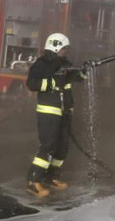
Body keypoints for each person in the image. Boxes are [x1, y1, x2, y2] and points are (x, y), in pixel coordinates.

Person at [25, 33, 87, 197]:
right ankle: (34, 181)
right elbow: (31, 84)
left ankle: (51, 177)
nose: (66, 51)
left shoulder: (65, 64)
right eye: (64, 48)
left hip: (64, 112)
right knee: (48, 147)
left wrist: (84, 70)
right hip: (48, 112)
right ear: (55, 47)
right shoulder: (42, 64)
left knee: (62, 146)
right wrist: (53, 82)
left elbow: (77, 78)